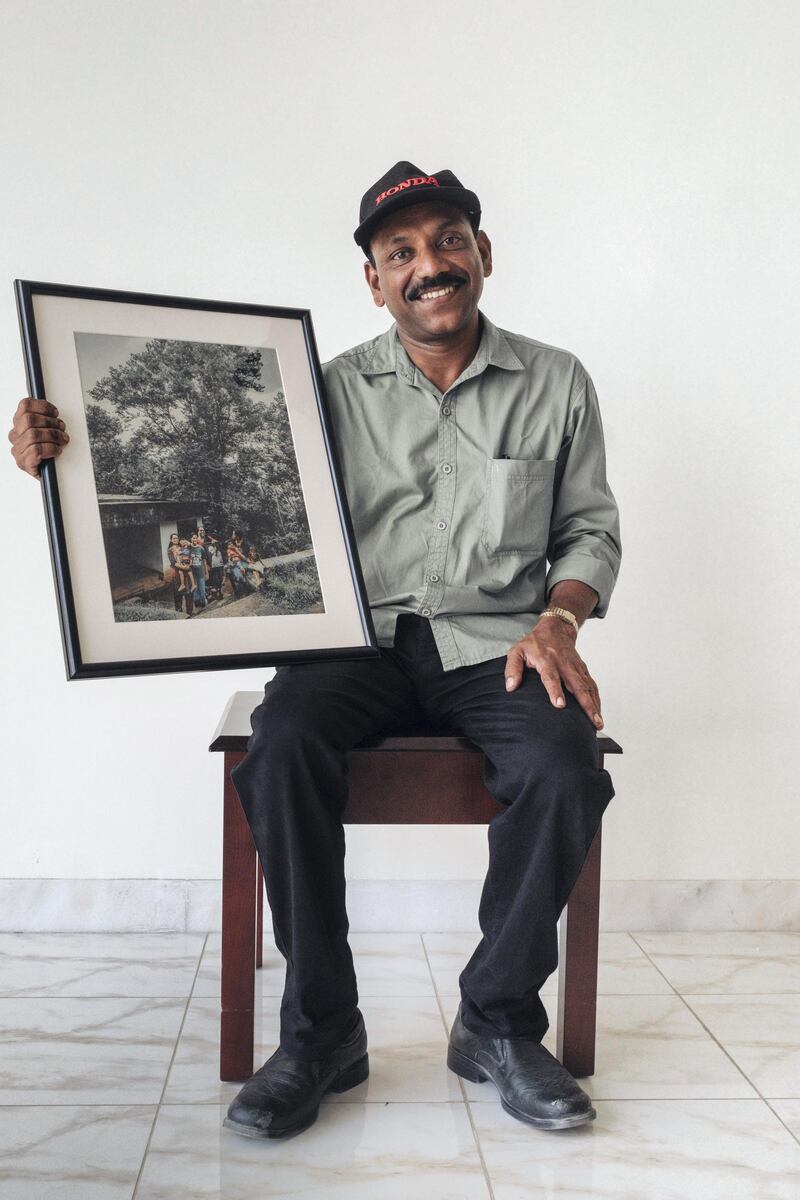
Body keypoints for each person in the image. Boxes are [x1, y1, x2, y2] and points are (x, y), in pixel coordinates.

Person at [8, 160, 621, 1143]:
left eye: (448, 241)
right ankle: (323, 1031)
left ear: (483, 255)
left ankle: (498, 1023)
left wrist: (558, 619)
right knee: (280, 742)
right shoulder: (317, 390)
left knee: (563, 763)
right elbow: (214, 482)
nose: (429, 264)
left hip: (494, 642)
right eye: (400, 252)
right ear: (373, 282)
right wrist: (61, 446)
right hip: (356, 643)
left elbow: (587, 532)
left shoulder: (555, 381)